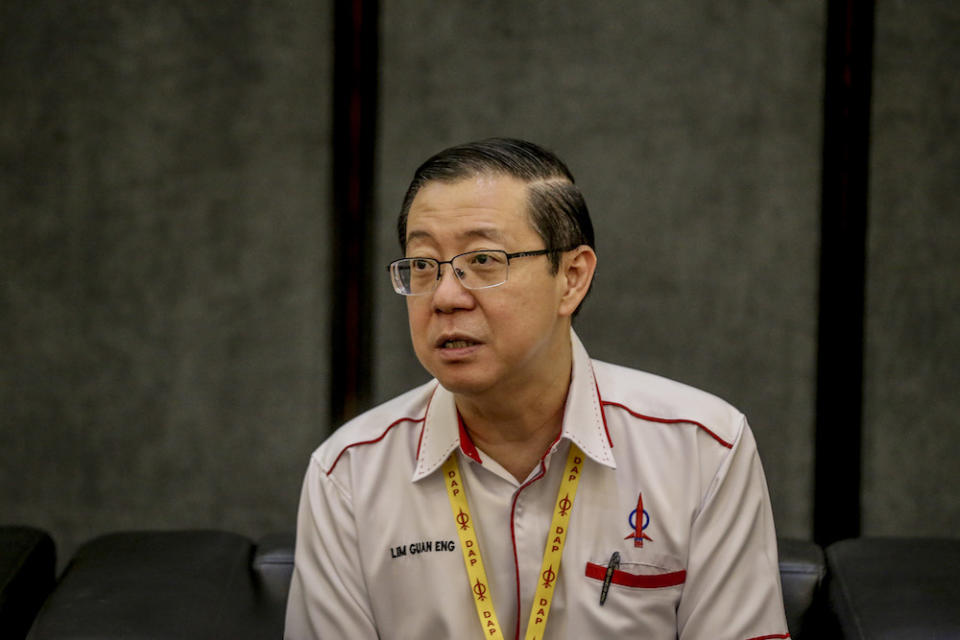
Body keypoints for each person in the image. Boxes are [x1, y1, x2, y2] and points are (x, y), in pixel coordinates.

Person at [285, 138, 789, 639]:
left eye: (482, 261)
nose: (444, 295)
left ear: (571, 277)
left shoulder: (702, 449)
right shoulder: (349, 473)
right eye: (423, 264)